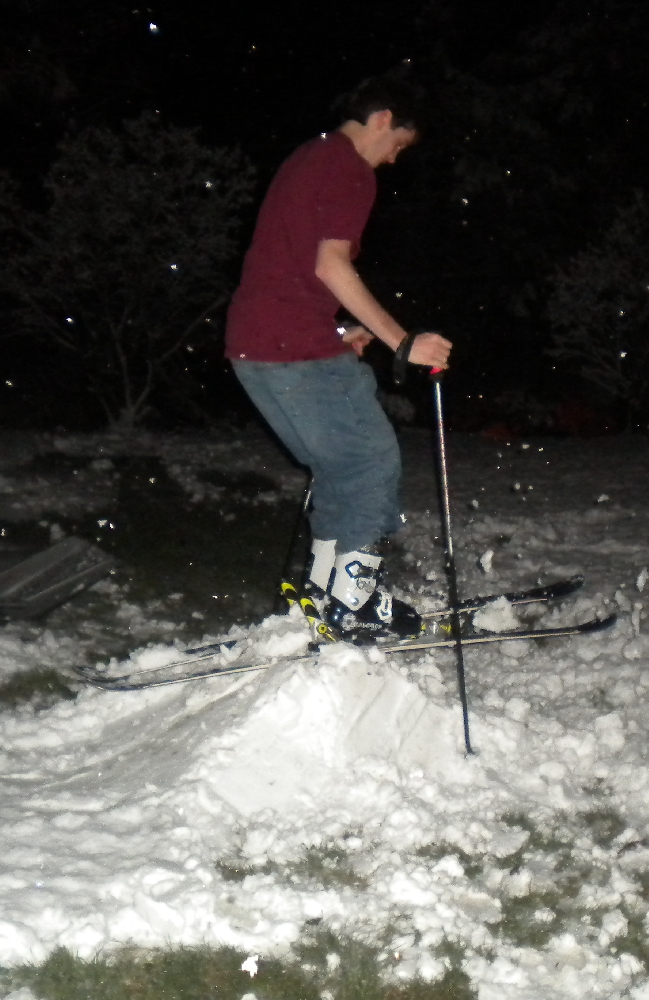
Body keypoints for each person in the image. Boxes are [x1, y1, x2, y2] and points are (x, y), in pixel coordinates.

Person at [225, 73, 452, 641]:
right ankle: (354, 602)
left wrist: (337, 328)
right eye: (398, 144)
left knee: (338, 467)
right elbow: (330, 264)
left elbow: (290, 266)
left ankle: (324, 591)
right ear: (383, 119)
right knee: (371, 462)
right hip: (293, 347)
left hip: (256, 344)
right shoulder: (349, 168)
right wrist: (404, 341)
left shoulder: (308, 157)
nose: (393, 158)